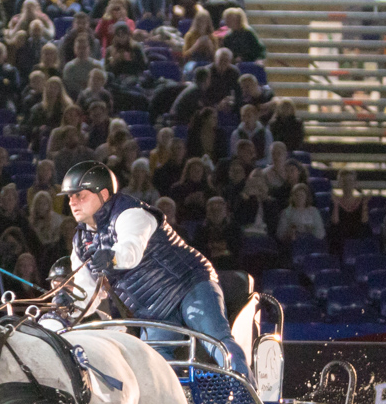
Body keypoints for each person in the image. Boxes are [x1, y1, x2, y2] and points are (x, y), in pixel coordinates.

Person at [63, 162, 250, 380]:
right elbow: (85, 293)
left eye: (80, 196)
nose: (72, 202)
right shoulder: (80, 243)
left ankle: (246, 397)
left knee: (216, 338)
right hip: (153, 309)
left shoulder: (130, 213)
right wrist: (62, 313)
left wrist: (111, 257)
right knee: (153, 365)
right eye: (69, 197)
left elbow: (130, 251)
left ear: (103, 194)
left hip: (189, 284)